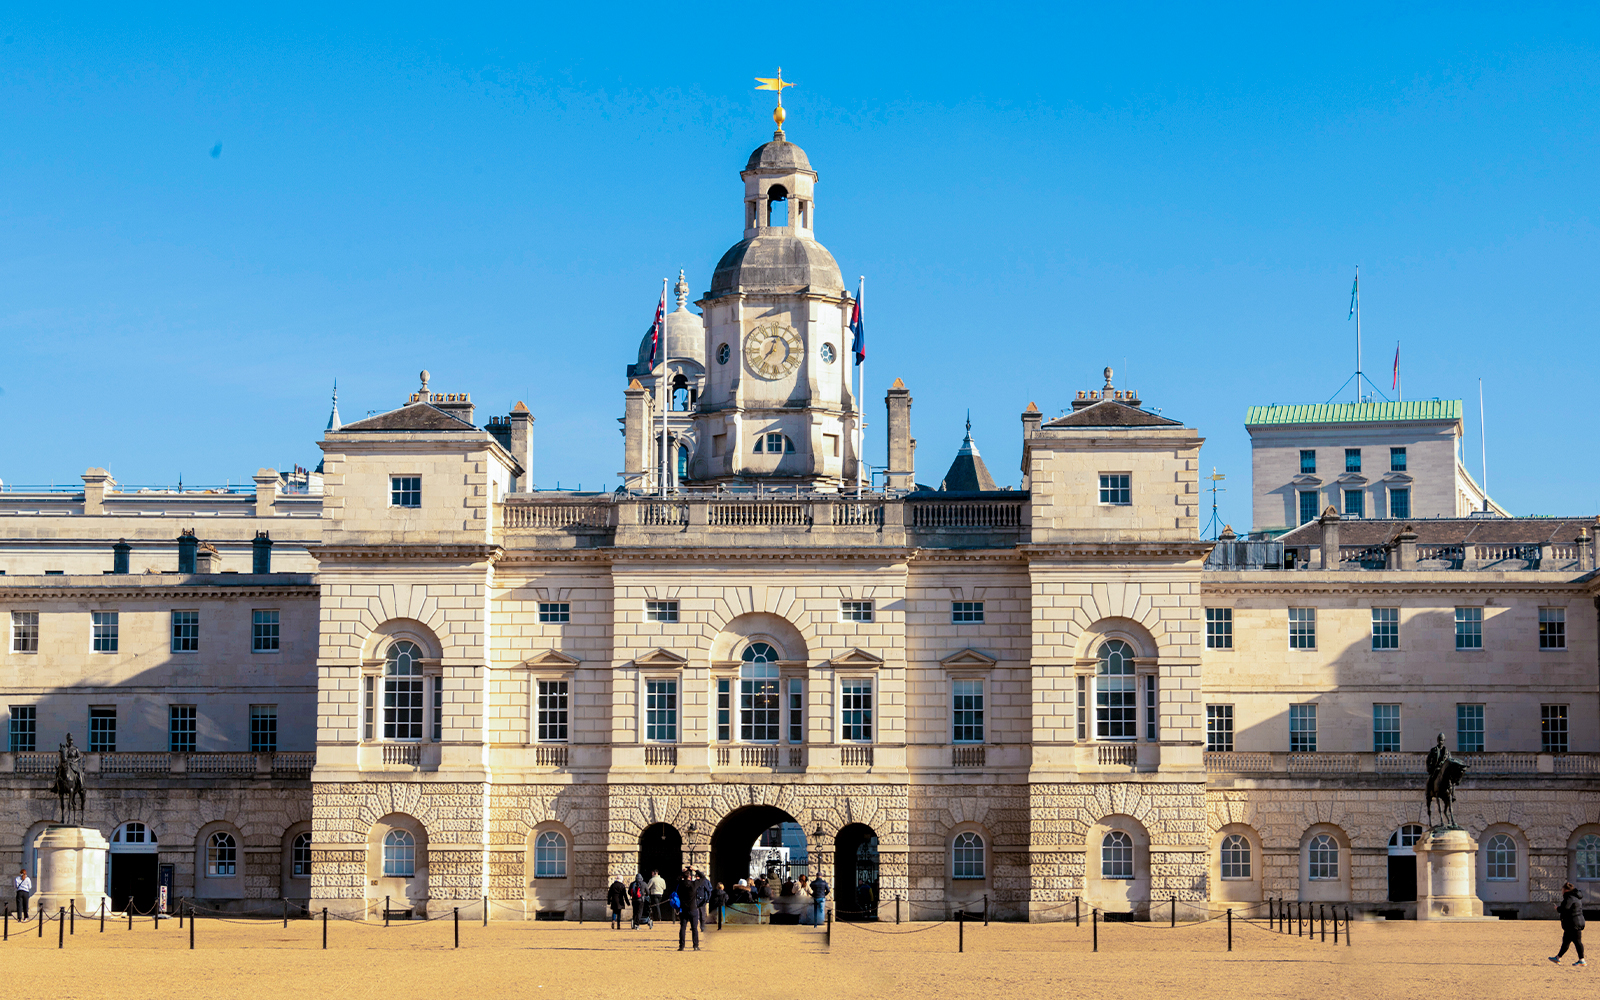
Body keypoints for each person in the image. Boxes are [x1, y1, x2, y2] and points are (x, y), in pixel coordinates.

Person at [1552, 882, 1587, 966]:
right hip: (1576, 921)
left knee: (1576, 942)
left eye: (1562, 890)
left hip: (1573, 923)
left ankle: (1581, 960)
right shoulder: (1575, 896)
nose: (1562, 891)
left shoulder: (1569, 897)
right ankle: (1558, 958)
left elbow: (1565, 908)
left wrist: (1558, 908)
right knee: (1567, 941)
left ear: (1566, 890)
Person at [676, 867, 704, 951]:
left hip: (684, 909)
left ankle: (681, 946)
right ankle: (695, 946)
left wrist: (683, 871)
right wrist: (695, 870)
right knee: (694, 928)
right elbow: (703, 877)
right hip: (693, 908)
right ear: (690, 877)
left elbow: (676, 879)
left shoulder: (681, 884)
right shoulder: (693, 884)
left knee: (683, 928)